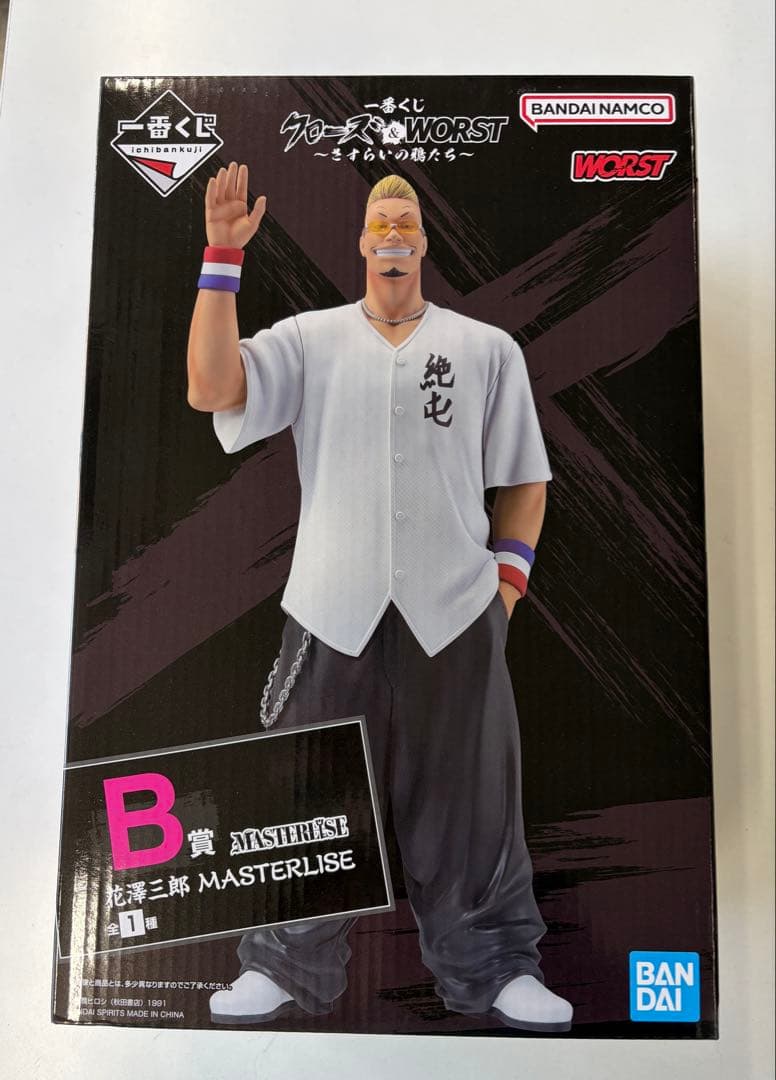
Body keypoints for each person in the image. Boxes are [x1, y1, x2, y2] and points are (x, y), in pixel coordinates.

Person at [186, 162, 573, 1032]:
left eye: (406, 222)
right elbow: (211, 389)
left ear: (424, 244)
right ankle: (283, 963)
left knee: (473, 799)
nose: (392, 232)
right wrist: (222, 256)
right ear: (361, 243)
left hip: (457, 610)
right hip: (331, 606)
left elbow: (525, 479)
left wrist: (507, 588)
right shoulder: (309, 339)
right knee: (311, 790)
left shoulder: (485, 349)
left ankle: (498, 967)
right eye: (379, 222)